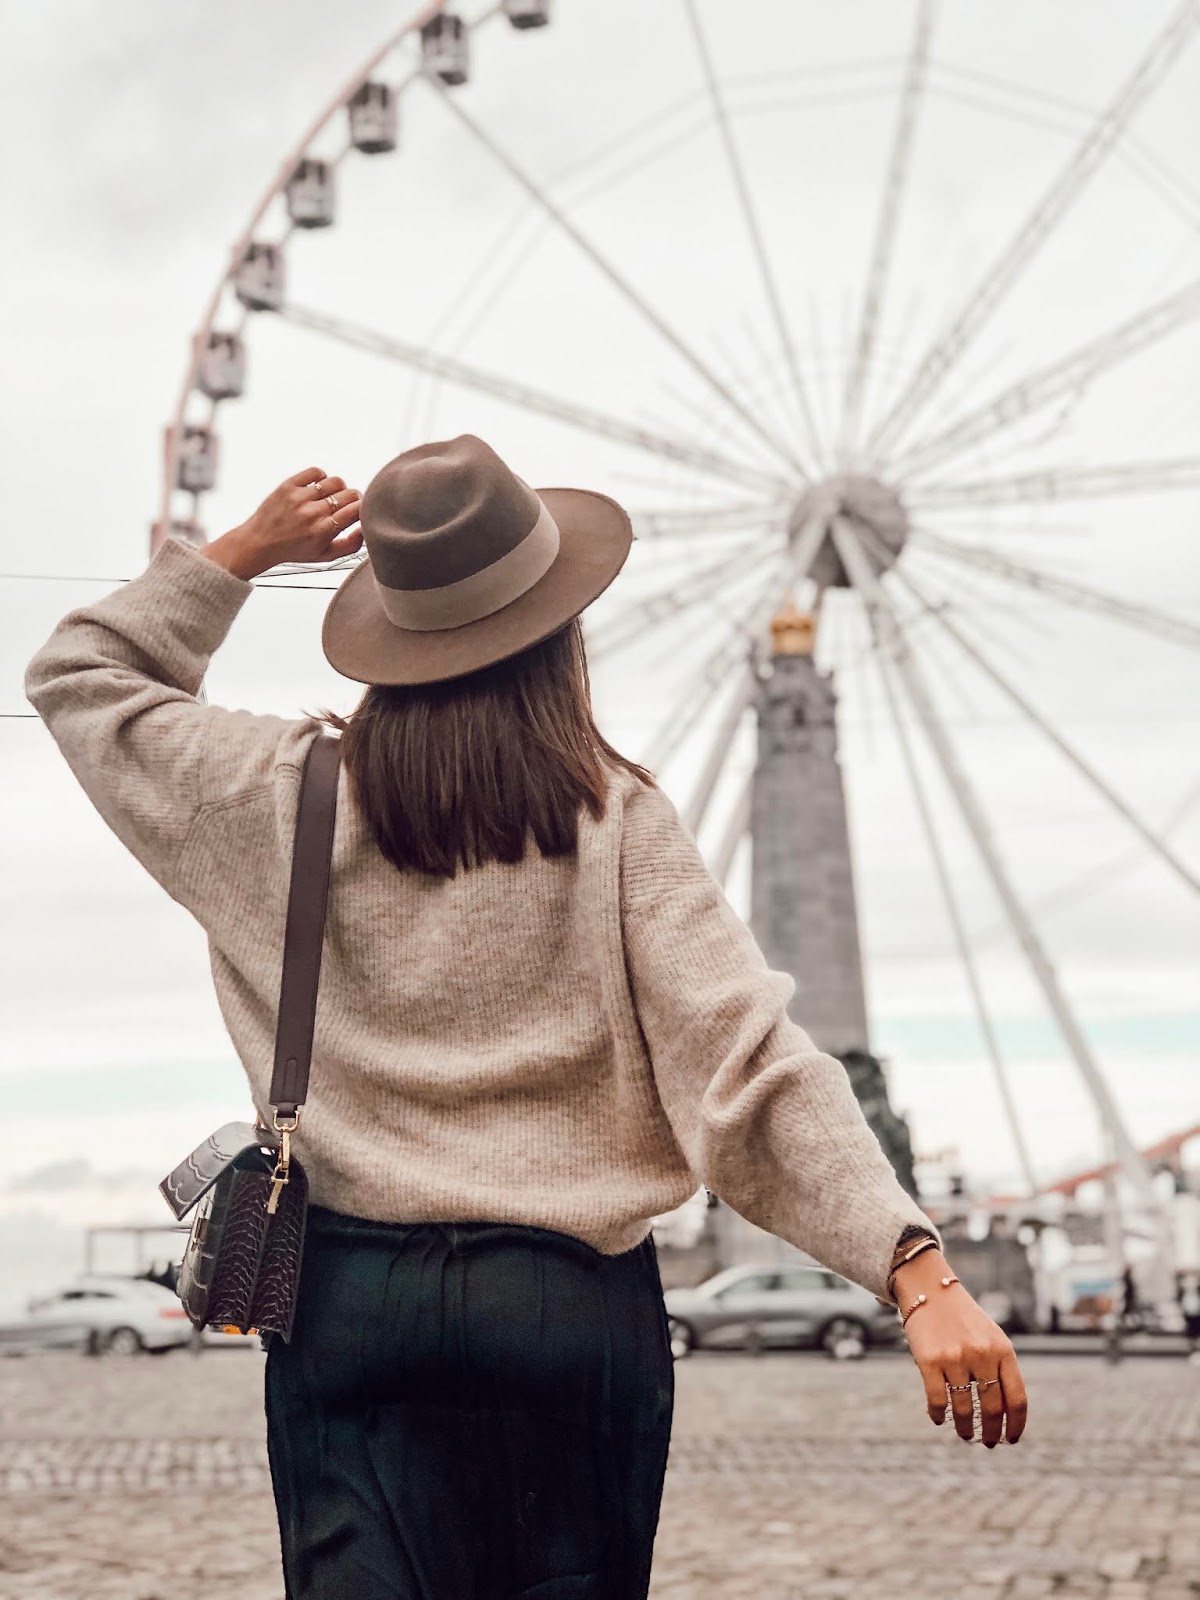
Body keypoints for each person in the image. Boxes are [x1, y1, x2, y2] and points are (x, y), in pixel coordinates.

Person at [25, 435, 1027, 1599]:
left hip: (348, 1304)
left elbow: (81, 676)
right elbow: (747, 1068)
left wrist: (243, 551)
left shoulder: (269, 794)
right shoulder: (617, 824)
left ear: (386, 629)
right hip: (565, 1307)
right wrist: (914, 1269)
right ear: (561, 628)